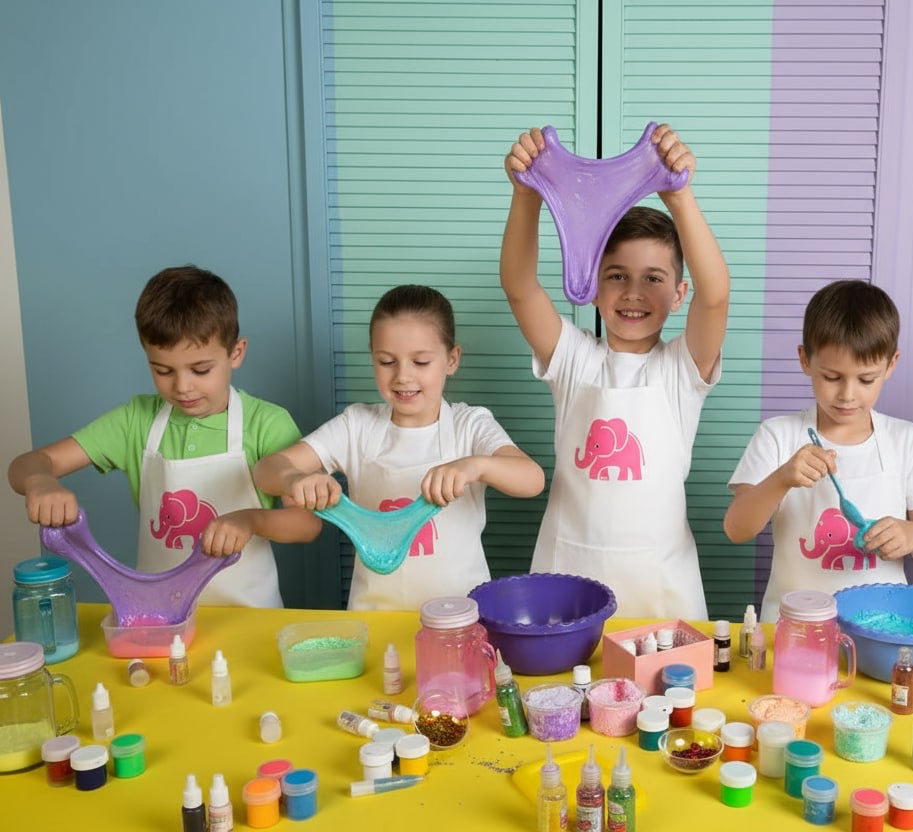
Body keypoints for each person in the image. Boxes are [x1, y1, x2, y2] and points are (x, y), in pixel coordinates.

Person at [500, 124, 730, 619]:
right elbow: (519, 287)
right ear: (592, 285)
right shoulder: (574, 358)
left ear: (678, 293)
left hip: (660, 585)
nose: (633, 294)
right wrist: (527, 195)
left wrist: (680, 195)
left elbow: (717, 294)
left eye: (654, 279)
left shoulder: (681, 371)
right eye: (617, 276)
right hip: (569, 573)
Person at [8, 265, 321, 607]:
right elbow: (27, 464)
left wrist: (252, 520)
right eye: (162, 370)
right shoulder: (136, 421)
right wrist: (40, 481)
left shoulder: (267, 423)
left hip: (250, 617)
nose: (182, 386)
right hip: (159, 619)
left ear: (236, 353)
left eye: (200, 370)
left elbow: (307, 524)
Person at [254, 284, 545, 610]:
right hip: (375, 618)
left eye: (420, 362)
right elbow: (267, 469)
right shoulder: (356, 426)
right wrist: (294, 479)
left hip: (459, 621)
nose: (403, 377)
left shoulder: (470, 426)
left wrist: (475, 466)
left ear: (451, 360)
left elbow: (532, 479)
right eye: (387, 361)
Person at [723, 280, 913, 622]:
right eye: (832, 377)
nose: (847, 394)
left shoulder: (908, 441)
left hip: (881, 625)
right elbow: (736, 529)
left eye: (866, 379)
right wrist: (782, 478)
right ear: (805, 360)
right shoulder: (777, 435)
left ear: (891, 365)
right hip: (792, 625)